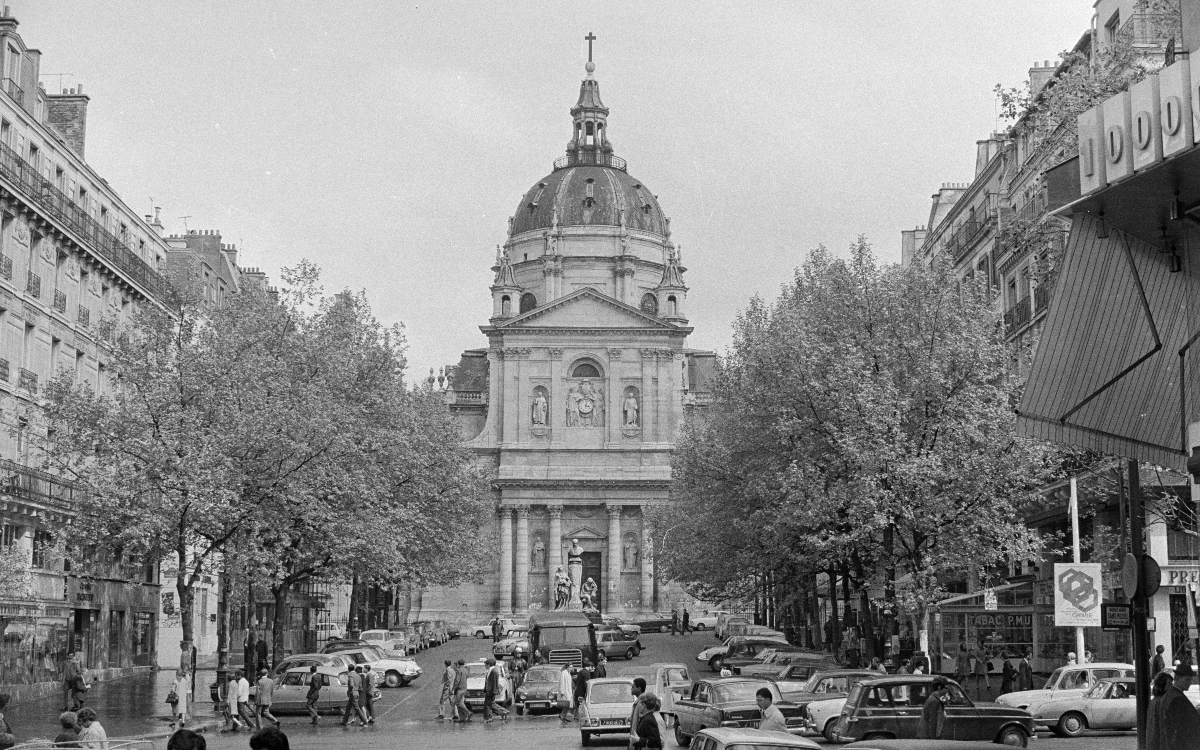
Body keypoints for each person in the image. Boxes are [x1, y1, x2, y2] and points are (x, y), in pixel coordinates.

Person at [1147, 661, 1200, 749]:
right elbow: (1182, 726)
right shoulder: (1176, 698)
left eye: (1191, 679)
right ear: (1178, 678)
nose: (1190, 683)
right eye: (1187, 679)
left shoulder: (1170, 695)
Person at [483, 657, 509, 723]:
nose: (485, 666)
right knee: (489, 704)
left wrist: (493, 691)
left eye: (486, 664)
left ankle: (501, 712)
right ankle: (490, 717)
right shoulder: (491, 670)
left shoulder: (494, 671)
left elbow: (495, 682)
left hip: (491, 691)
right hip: (489, 690)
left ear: (489, 664)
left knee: (490, 705)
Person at [628, 678, 648, 750]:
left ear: (639, 688)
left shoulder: (642, 703)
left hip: (638, 741)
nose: (631, 689)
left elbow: (641, 724)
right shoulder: (638, 702)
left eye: (633, 687)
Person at [453, 659, 472, 723]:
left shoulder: (459, 671)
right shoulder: (465, 670)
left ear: (458, 664)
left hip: (459, 688)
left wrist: (453, 688)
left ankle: (468, 712)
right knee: (461, 702)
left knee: (457, 702)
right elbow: (468, 676)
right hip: (464, 688)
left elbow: (457, 680)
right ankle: (462, 718)